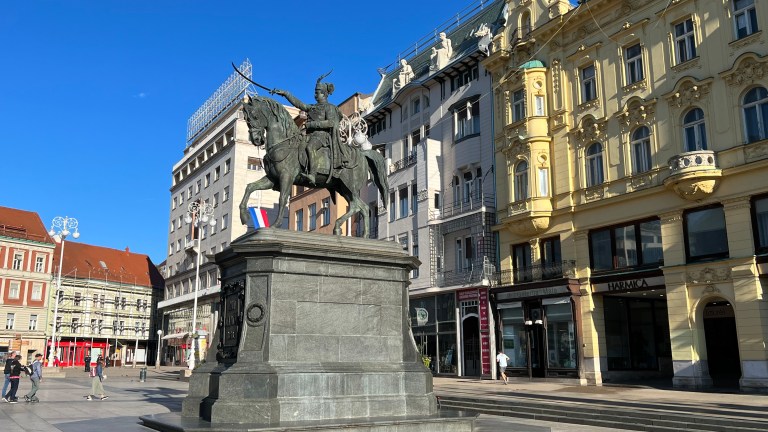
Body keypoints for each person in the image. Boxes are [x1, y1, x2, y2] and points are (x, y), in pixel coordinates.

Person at [273, 73, 351, 185]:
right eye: (315, 92)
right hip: (310, 135)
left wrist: (312, 124)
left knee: (310, 147)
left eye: (317, 92)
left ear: (324, 94)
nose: (315, 95)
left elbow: (331, 123)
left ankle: (313, 174)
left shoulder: (329, 107)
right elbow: (299, 104)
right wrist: (286, 94)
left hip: (322, 136)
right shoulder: (312, 107)